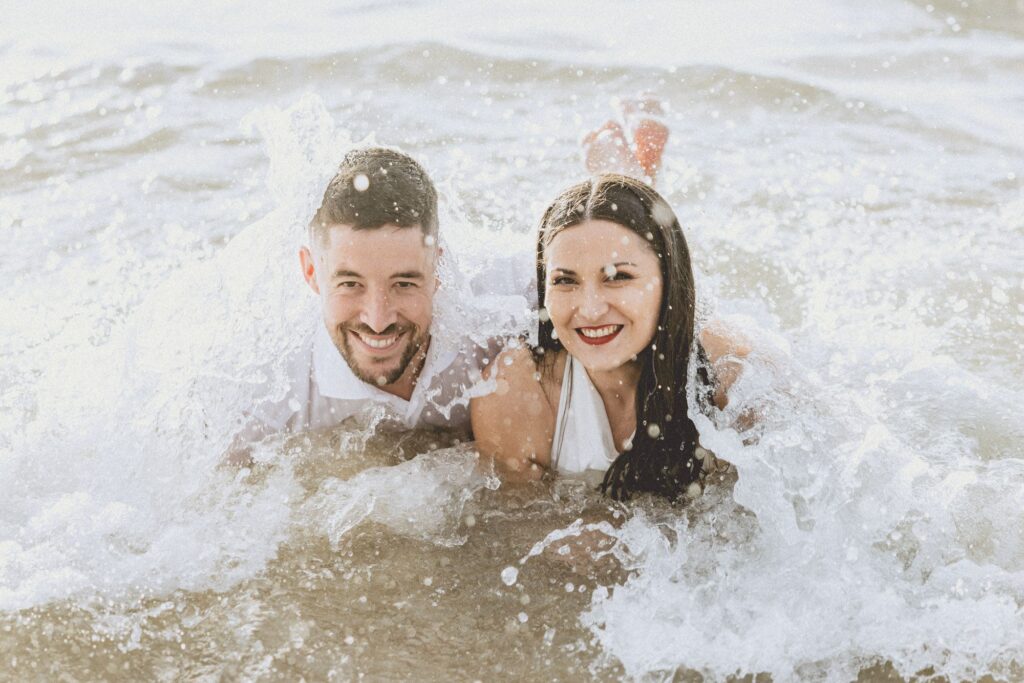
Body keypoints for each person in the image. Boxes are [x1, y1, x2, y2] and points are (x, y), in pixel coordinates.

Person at [470, 172, 746, 501]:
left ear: (668, 279)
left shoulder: (730, 374)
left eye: (618, 277)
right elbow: (519, 523)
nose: (590, 310)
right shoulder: (515, 392)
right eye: (565, 281)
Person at [233, 147, 522, 455]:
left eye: (404, 284)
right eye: (350, 284)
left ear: (438, 269)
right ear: (311, 271)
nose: (378, 320)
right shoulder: (269, 397)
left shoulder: (503, 305)